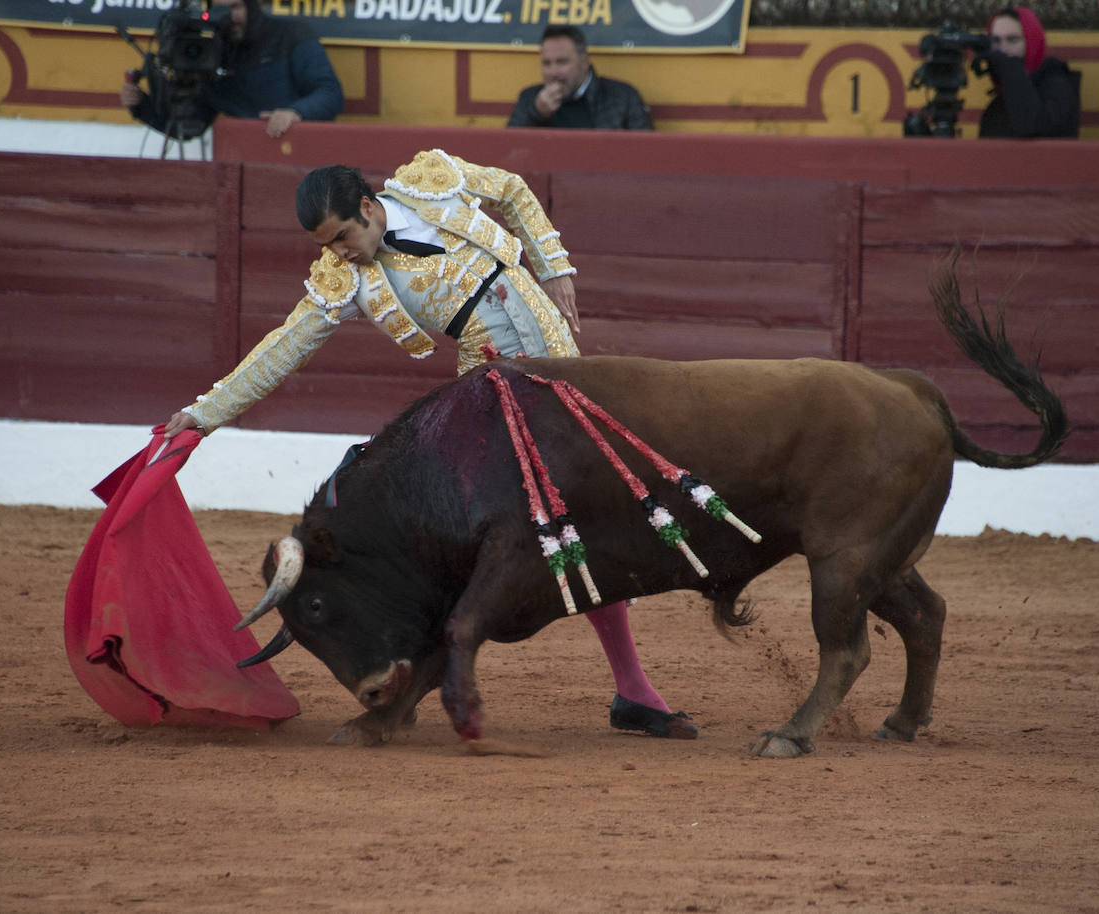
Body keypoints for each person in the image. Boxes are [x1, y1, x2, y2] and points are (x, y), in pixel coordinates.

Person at [163, 149, 696, 739]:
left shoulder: (430, 183)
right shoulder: (348, 279)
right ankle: (622, 690)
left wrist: (556, 264)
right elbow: (283, 347)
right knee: (554, 524)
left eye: (343, 236)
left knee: (581, 520)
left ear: (368, 207)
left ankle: (626, 691)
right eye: (327, 245)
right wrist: (204, 414)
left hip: (563, 362)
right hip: (492, 391)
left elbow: (514, 189)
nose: (338, 252)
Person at [120, 0, 342, 141]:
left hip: (303, 150)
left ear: (251, 7)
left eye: (236, 7)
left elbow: (330, 93)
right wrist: (142, 106)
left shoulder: (292, 34)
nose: (230, 17)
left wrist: (295, 113)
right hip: (247, 160)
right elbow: (189, 127)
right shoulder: (211, 54)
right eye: (221, 9)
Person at [507, 26, 653, 130]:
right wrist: (536, 114)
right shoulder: (530, 99)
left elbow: (646, 152)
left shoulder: (623, 97)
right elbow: (508, 150)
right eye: (546, 63)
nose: (553, 72)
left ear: (584, 61)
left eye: (562, 62)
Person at [977, 6, 1079, 139]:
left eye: (1012, 40)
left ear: (1031, 41)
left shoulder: (1058, 88)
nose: (1002, 49)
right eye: (996, 41)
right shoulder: (996, 107)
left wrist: (1011, 68)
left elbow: (1031, 126)